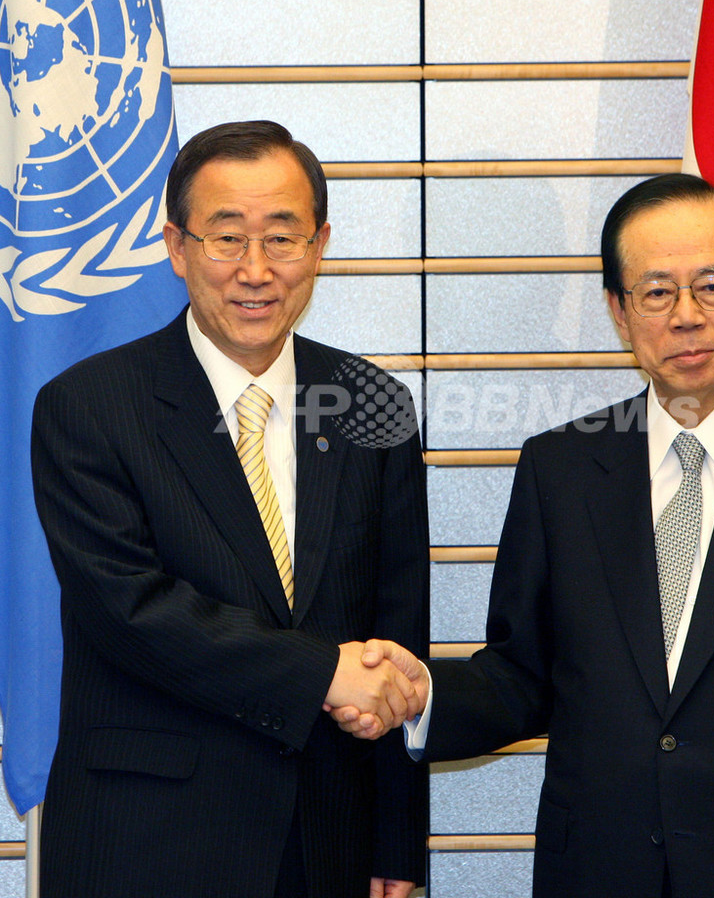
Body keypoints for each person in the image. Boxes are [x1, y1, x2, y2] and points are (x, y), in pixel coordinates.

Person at [333, 174, 714, 897]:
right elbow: (521, 677)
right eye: (657, 292)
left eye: (711, 285)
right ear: (618, 310)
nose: (687, 316)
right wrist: (422, 692)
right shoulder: (561, 469)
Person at [31, 121, 429, 898]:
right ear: (178, 248)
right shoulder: (88, 406)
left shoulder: (372, 405)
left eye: (282, 238)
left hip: (327, 840)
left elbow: (394, 633)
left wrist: (397, 843)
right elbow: (130, 611)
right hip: (145, 841)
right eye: (225, 239)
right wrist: (323, 672)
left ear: (319, 246)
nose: (255, 270)